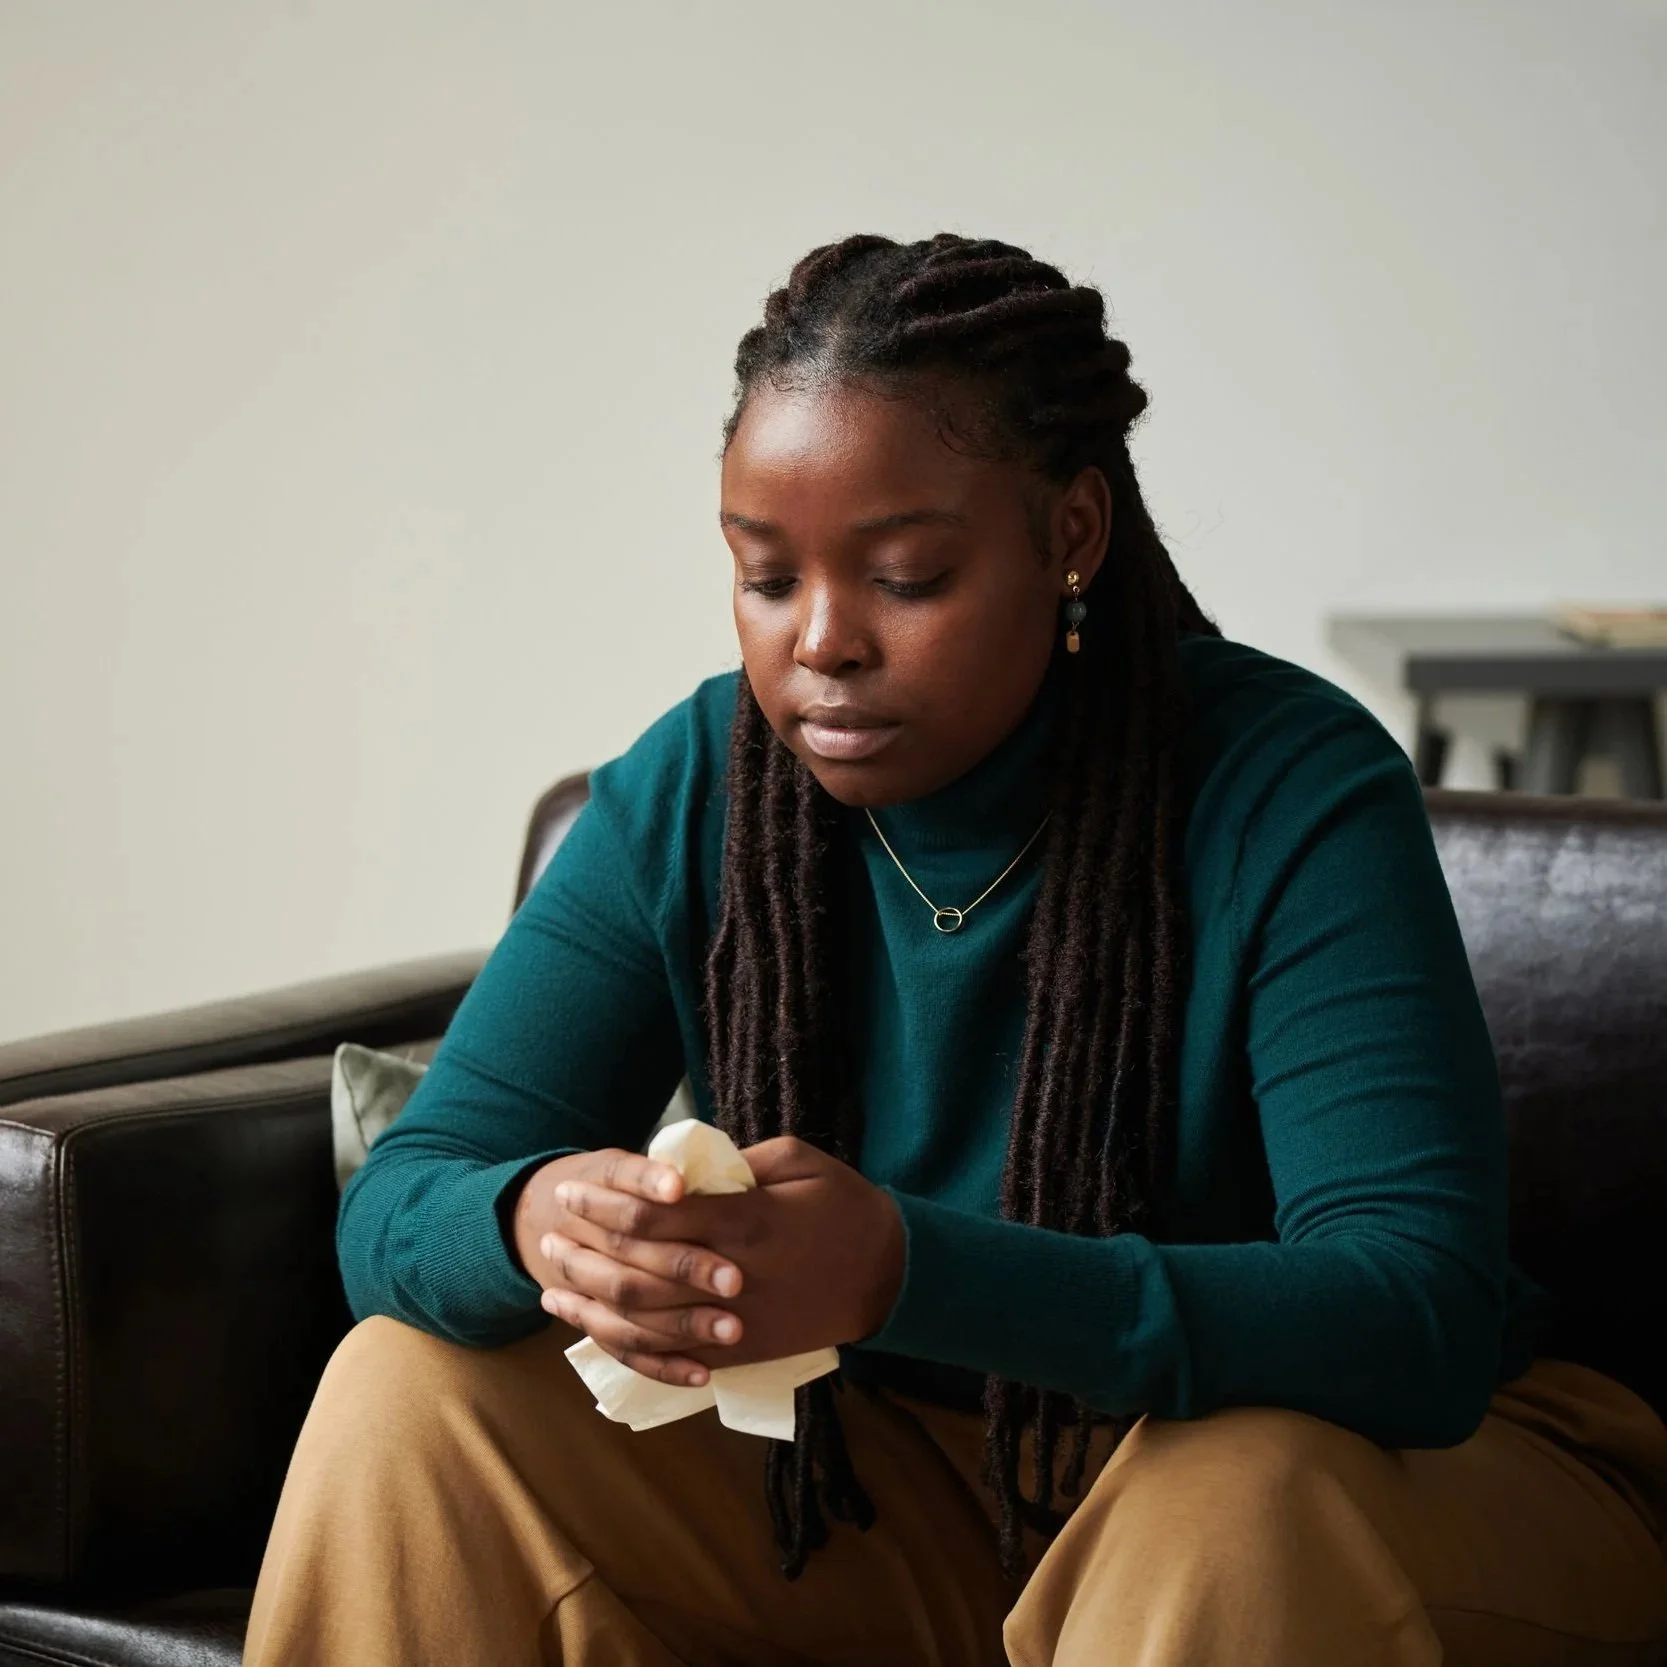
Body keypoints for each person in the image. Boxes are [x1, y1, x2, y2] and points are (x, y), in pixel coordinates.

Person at [244, 234, 1667, 1667]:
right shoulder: (702, 787)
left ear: (1071, 535)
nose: (820, 643)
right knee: (407, 1394)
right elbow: (400, 1205)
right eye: (763, 575)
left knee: (1221, 1498)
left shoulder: (1283, 786)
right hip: (908, 1490)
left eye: (907, 576)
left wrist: (901, 1270)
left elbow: (1410, 1314)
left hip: (1370, 1486)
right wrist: (535, 1219)